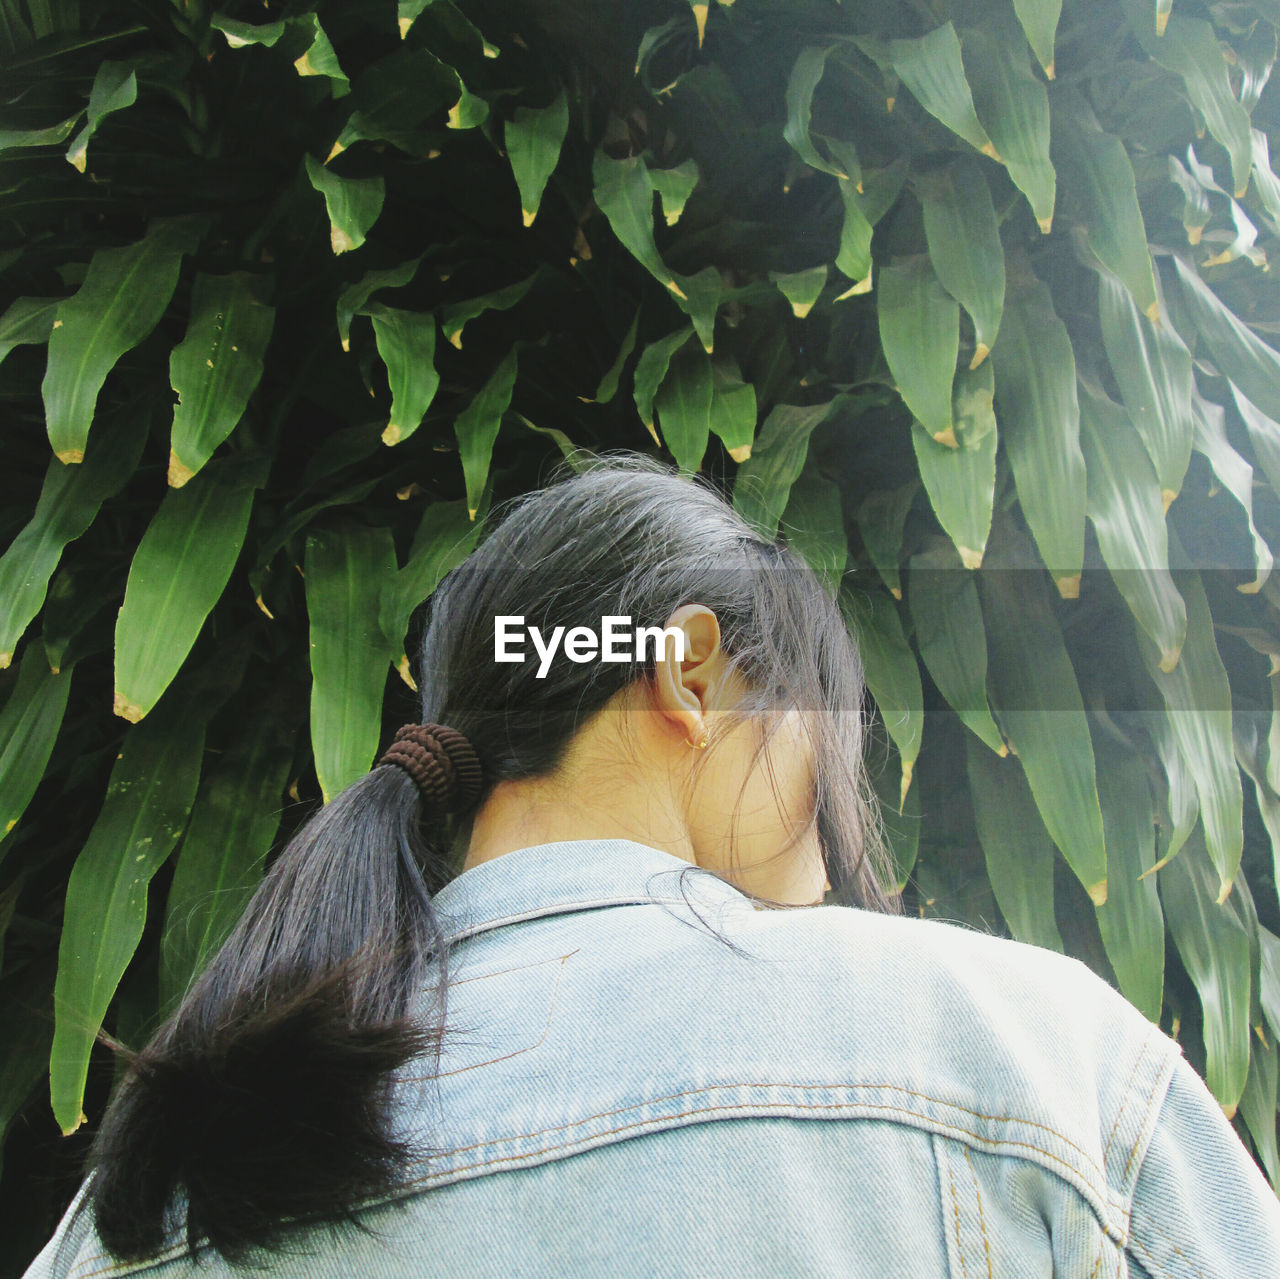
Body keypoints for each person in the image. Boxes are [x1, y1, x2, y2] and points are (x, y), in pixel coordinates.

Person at [23, 453, 1280, 1278]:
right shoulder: (1025, 1058)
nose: (831, 821)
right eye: (817, 730)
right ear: (689, 674)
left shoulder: (152, 1192)